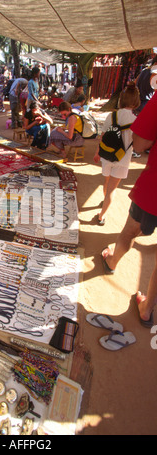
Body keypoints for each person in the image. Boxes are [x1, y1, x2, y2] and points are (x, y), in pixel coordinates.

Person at [101, 91, 157, 327]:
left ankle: (112, 261)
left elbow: (142, 142)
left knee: (131, 229)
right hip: (123, 163)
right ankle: (148, 307)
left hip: (154, 187)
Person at [93, 82, 140, 225]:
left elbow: (103, 137)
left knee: (106, 183)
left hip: (107, 155)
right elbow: (137, 145)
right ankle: (102, 216)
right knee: (112, 189)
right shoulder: (136, 121)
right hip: (122, 159)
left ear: (122, 99)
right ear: (136, 101)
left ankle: (104, 201)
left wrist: (97, 153)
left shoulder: (111, 116)